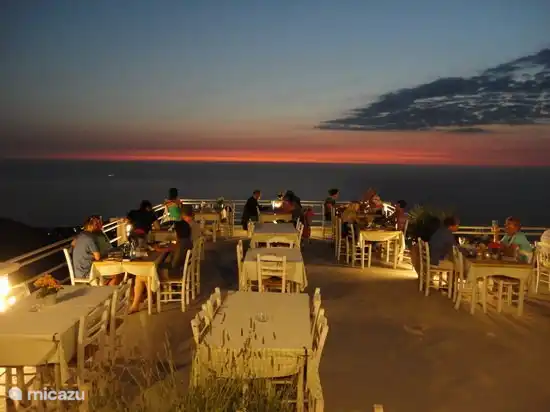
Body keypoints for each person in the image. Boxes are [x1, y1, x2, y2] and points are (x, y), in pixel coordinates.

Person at [71, 216, 101, 280]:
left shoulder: (79, 236)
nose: (97, 226)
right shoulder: (90, 238)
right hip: (86, 273)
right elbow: (97, 257)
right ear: (90, 226)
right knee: (115, 275)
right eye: (95, 225)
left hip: (78, 272)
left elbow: (72, 244)